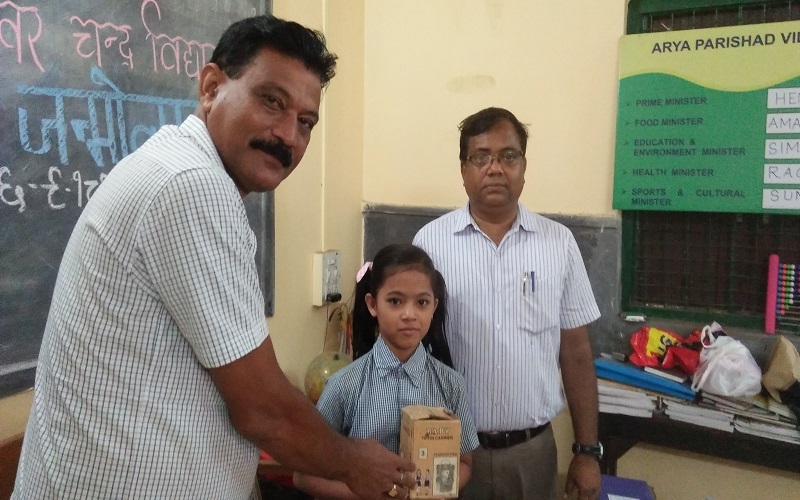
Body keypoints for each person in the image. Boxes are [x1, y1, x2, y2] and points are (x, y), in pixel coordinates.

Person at [13, 15, 416, 500]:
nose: (288, 136)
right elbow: (263, 411)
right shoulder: (192, 185)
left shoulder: (179, 165)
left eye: (306, 122)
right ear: (210, 87)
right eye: (272, 101)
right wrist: (353, 463)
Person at [413, 107, 602, 500]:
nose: (495, 168)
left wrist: (587, 451)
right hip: (450, 446)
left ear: (524, 166)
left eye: (508, 156)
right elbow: (409, 347)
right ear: (463, 169)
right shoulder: (429, 244)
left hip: (532, 454)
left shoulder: (559, 244)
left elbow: (577, 352)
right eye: (481, 157)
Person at [293, 243, 480, 499]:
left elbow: (465, 463)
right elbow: (305, 475)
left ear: (434, 307)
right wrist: (367, 493)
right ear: (373, 304)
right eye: (395, 301)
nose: (409, 314)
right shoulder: (344, 385)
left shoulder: (450, 384)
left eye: (422, 302)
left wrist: (431, 489)